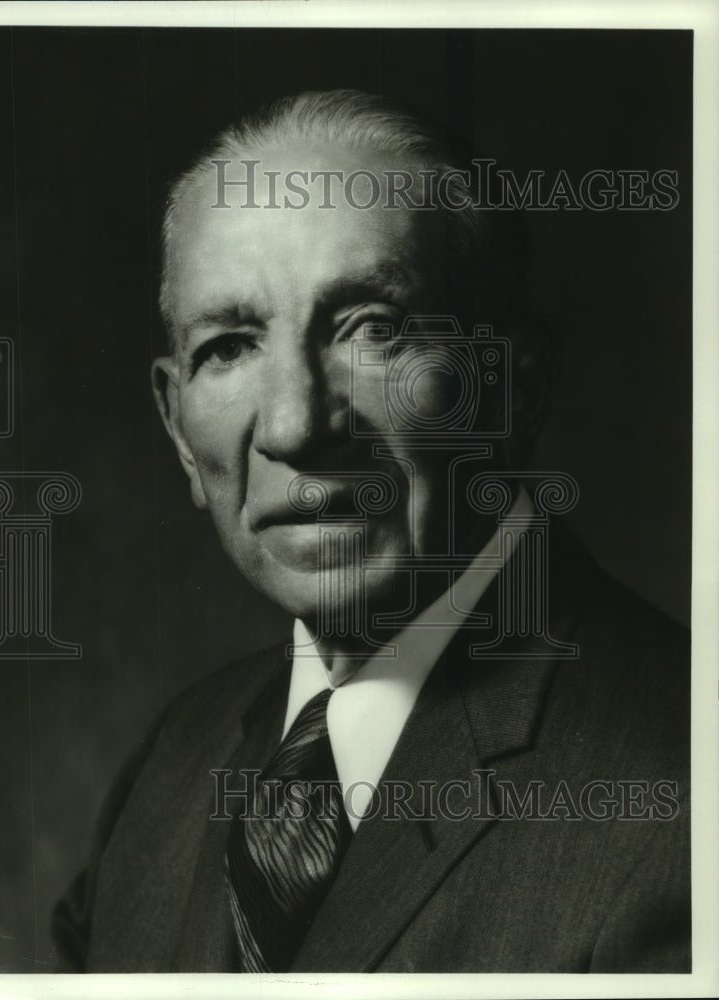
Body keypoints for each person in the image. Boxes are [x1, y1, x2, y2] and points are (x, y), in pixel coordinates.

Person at [51, 90, 689, 973]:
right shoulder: (168, 769)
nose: (292, 426)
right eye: (229, 346)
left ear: (514, 387)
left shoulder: (686, 803)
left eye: (372, 329)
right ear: (178, 435)